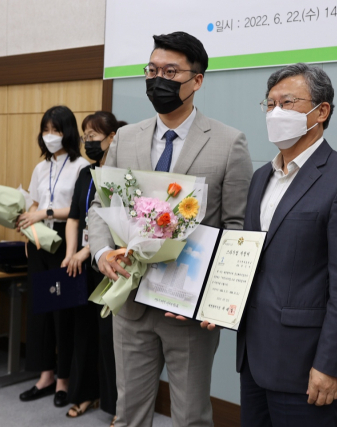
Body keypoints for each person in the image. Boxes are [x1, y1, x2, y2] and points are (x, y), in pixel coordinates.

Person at [88, 32, 253, 427]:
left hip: (187, 312)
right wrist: (101, 252)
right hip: (130, 302)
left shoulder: (229, 143)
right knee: (128, 412)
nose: (158, 79)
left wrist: (212, 301)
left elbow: (235, 228)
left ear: (197, 80)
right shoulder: (125, 138)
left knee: (191, 416)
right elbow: (100, 205)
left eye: (170, 71)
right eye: (152, 70)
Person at [234, 63, 337, 427]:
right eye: (270, 104)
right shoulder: (260, 177)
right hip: (254, 357)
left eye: (287, 102)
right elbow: (253, 260)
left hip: (307, 365)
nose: (275, 113)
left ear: (322, 111)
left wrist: (331, 364)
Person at [17, 106, 89, 407]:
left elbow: (76, 210)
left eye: (56, 130)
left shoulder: (81, 166)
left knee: (63, 314)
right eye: (46, 130)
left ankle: (63, 380)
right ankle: (44, 375)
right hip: (38, 240)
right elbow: (33, 202)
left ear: (68, 132)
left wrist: (42, 213)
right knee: (40, 312)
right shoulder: (40, 166)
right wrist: (25, 218)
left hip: (64, 240)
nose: (50, 136)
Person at [61, 111, 126, 421]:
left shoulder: (121, 175)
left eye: (94, 136)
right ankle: (85, 393)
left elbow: (118, 225)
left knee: (109, 340)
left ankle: (115, 407)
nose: (89, 141)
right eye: (85, 136)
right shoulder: (85, 173)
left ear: (113, 137)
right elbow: (75, 216)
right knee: (82, 333)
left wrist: (87, 251)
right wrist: (71, 252)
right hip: (80, 266)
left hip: (108, 265)